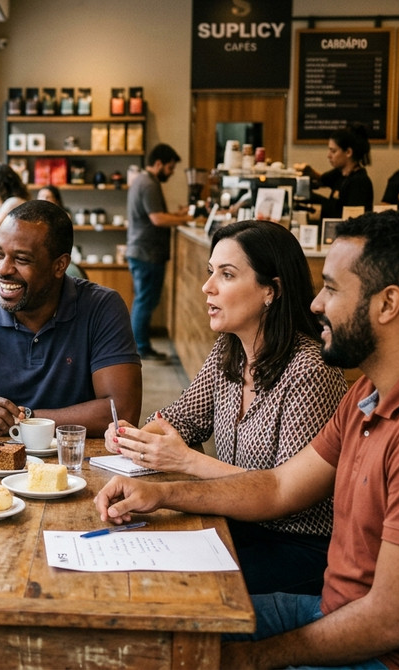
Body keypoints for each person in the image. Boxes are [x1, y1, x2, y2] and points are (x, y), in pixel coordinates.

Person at [95, 210, 399, 669]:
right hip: (337, 612)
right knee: (153, 624)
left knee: (179, 647)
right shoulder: (371, 390)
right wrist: (160, 494)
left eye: (333, 289)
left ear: (388, 304)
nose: (316, 303)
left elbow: (391, 622)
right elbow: (280, 486)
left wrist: (258, 658)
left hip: (396, 657)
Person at [106, 220, 347, 595]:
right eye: (210, 272)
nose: (208, 286)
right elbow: (182, 418)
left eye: (227, 274)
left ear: (272, 290)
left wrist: (185, 460)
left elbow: (288, 500)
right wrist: (135, 438)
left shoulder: (310, 371)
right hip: (237, 523)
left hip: (299, 547)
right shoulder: (230, 351)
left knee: (167, 584)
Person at [0, 199, 141, 438]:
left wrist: (24, 419)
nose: (3, 269)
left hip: (73, 463)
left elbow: (122, 412)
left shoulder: (102, 307)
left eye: (21, 259)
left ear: (59, 265)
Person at [125, 143, 194, 362]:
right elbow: (157, 219)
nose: (172, 172)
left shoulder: (143, 181)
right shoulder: (149, 184)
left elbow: (156, 215)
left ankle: (139, 346)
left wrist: (177, 214)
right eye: (170, 168)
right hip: (147, 252)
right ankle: (141, 348)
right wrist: (189, 218)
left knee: (143, 300)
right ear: (158, 164)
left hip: (141, 250)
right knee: (145, 301)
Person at [297, 124, 375, 220]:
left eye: (333, 151)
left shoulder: (360, 182)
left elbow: (350, 219)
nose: (329, 156)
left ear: (348, 152)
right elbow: (322, 179)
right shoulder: (339, 174)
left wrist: (318, 200)